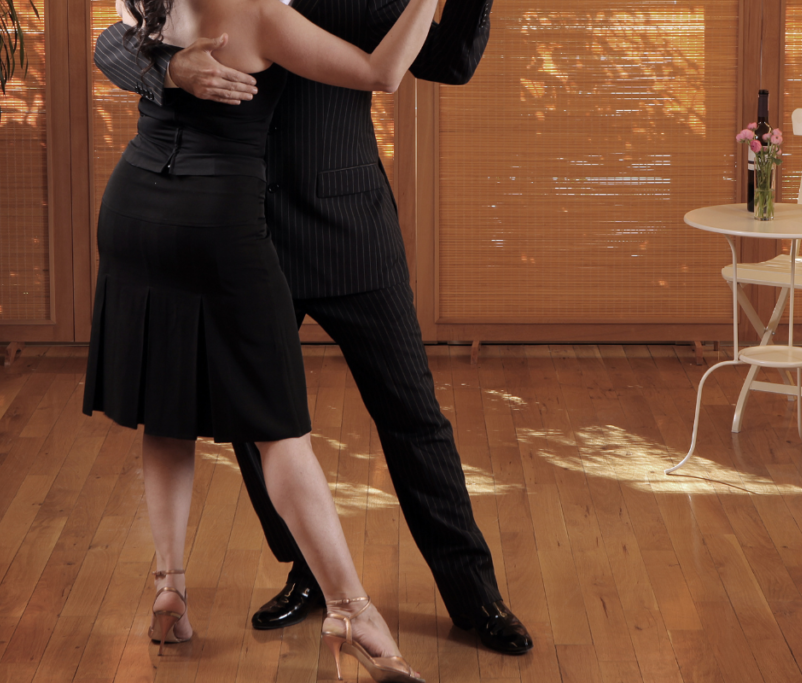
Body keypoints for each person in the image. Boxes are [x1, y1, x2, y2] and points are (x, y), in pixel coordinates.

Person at [93, 0, 533, 657]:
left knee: (412, 416)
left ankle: (475, 594)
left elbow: (449, 61)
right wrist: (168, 70)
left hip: (348, 228)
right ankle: (311, 572)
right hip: (240, 232)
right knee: (251, 419)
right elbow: (113, 38)